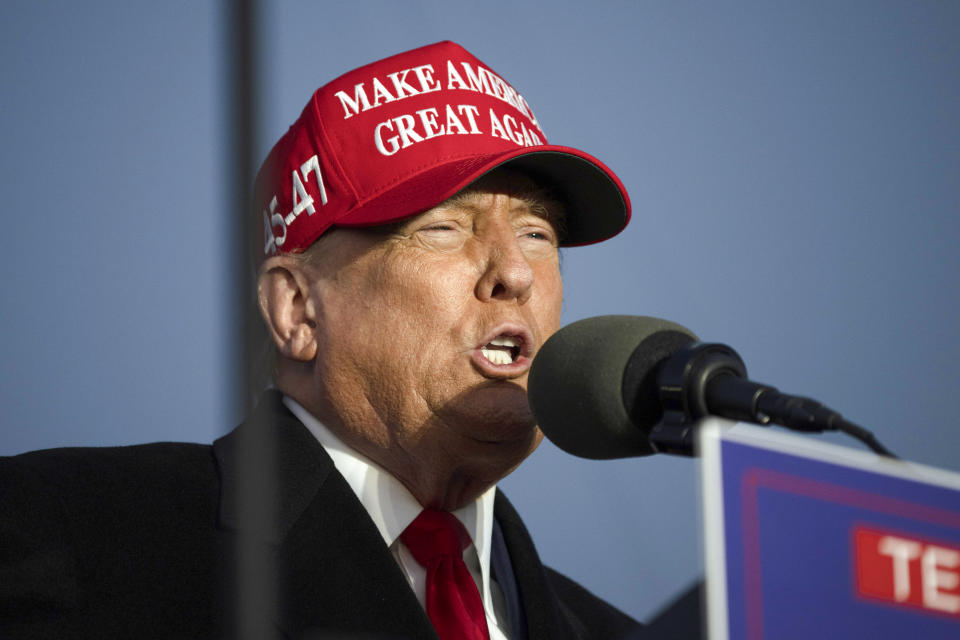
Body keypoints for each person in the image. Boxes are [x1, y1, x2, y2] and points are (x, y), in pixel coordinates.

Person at [1, 41, 641, 639]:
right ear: (298, 309)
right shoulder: (63, 537)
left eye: (537, 233)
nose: (516, 273)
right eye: (445, 227)